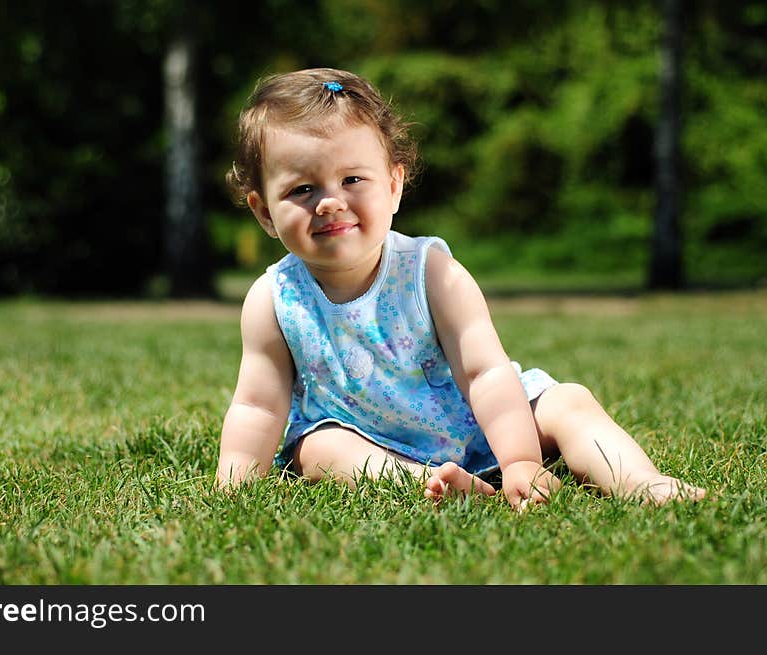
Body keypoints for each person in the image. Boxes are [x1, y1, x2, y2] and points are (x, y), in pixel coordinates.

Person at [216, 67, 705, 509]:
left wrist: (519, 459)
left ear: (393, 187)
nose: (329, 202)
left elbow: (485, 373)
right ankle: (423, 482)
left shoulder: (432, 272)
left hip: (480, 422)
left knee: (568, 401)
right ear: (264, 212)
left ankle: (642, 482)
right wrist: (236, 478)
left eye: (352, 179)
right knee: (316, 448)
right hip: (368, 437)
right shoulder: (275, 298)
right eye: (302, 189)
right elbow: (258, 403)